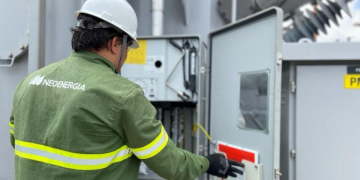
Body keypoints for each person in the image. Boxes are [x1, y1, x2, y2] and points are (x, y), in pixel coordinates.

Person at [9, 0, 244, 179]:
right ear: (115, 43)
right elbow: (170, 165)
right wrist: (207, 163)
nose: (126, 55)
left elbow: (16, 140)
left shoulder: (30, 81)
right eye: (128, 47)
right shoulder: (124, 95)